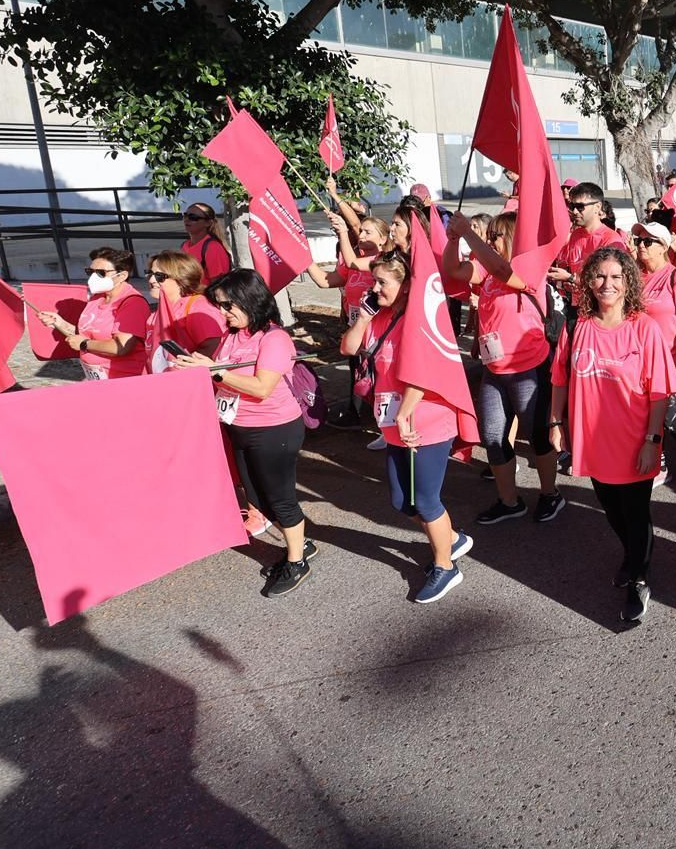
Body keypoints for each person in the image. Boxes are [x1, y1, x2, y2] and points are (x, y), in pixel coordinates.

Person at [339, 250, 474, 603]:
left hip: (425, 420)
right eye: (374, 281)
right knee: (402, 502)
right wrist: (364, 317)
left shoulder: (419, 321)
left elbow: (424, 370)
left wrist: (406, 411)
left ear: (406, 284)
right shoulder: (380, 317)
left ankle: (446, 567)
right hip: (394, 421)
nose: (376, 288)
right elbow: (348, 347)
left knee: (426, 500)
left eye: (383, 282)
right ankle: (453, 538)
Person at [552, 246, 675, 622]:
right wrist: (555, 422)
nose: (607, 284)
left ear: (628, 283)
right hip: (592, 438)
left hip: (636, 439)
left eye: (616, 277)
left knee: (636, 512)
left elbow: (659, 392)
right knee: (611, 508)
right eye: (600, 276)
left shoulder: (645, 327)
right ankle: (632, 555)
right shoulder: (576, 326)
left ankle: (640, 578)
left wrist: (652, 442)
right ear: (588, 281)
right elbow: (560, 380)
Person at [174, 270, 313, 597]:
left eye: (227, 306)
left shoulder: (274, 338)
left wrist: (213, 372)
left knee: (280, 498)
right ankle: (299, 544)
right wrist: (199, 369)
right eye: (219, 306)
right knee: (258, 498)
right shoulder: (234, 334)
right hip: (240, 425)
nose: (222, 313)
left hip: (274, 428)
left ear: (249, 300)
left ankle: (297, 560)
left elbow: (262, 387)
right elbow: (222, 374)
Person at [444, 212, 565, 525]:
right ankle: (509, 501)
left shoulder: (529, 270)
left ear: (513, 237)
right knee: (494, 437)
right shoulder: (485, 270)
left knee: (537, 436)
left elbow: (502, 269)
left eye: (496, 235)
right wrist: (454, 238)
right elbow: (453, 269)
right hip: (494, 370)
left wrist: (468, 234)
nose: (489, 241)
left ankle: (551, 493)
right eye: (489, 235)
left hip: (528, 369)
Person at [633, 221, 676, 486]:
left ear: (663, 247)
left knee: (670, 415)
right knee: (643, 413)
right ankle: (657, 463)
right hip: (640, 361)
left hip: (671, 361)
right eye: (639, 240)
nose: (641, 246)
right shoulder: (635, 277)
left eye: (648, 242)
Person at [38, 247, 150, 381]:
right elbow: (87, 333)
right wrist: (60, 323)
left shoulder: (132, 303)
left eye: (101, 273)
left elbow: (121, 347)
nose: (93, 277)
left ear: (122, 276)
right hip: (98, 379)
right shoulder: (97, 297)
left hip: (124, 378)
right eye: (90, 271)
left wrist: (85, 344)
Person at [548, 182, 626, 310]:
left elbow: (611, 283)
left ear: (597, 207)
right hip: (575, 305)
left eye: (580, 207)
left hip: (599, 309)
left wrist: (571, 278)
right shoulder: (575, 234)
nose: (574, 211)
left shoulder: (610, 239)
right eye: (572, 206)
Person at [143, 251, 225, 372]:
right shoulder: (160, 309)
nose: (151, 280)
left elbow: (215, 345)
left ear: (181, 278)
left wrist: (184, 366)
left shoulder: (197, 307)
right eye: (150, 273)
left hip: (188, 383)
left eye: (159, 276)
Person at [178, 202, 233, 285]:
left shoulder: (213, 247)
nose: (187, 219)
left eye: (193, 217)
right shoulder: (184, 245)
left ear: (208, 223)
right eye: (185, 215)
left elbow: (218, 285)